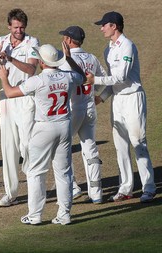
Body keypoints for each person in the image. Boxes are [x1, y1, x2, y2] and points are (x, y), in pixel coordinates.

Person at [0, 43, 87, 225]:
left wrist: (3, 78)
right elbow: (83, 77)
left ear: (42, 62)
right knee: (64, 172)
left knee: (36, 171)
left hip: (44, 127)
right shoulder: (68, 76)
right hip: (64, 126)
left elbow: (9, 92)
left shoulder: (37, 80)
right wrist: (68, 58)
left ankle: (35, 215)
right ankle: (64, 214)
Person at [88, 11, 156, 203]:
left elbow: (122, 77)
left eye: (104, 25)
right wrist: (101, 97)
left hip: (134, 98)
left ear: (114, 26)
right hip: (118, 100)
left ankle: (149, 187)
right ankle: (125, 188)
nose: (101, 28)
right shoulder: (108, 49)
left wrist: (94, 80)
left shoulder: (128, 46)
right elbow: (113, 83)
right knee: (121, 146)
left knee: (138, 143)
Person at [0, 8, 39, 207]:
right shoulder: (1, 41)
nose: (19, 30)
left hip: (25, 97)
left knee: (27, 145)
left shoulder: (32, 42)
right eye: (15, 27)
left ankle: (34, 180)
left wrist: (10, 58)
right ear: (9, 26)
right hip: (6, 99)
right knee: (8, 147)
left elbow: (31, 69)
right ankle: (10, 193)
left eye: (22, 27)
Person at [58, 26, 107, 204]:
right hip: (89, 108)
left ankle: (73, 187)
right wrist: (100, 97)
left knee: (61, 148)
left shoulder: (64, 60)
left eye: (64, 37)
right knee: (90, 148)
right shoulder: (92, 58)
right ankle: (96, 193)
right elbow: (106, 80)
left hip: (72, 109)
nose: (63, 40)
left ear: (70, 41)